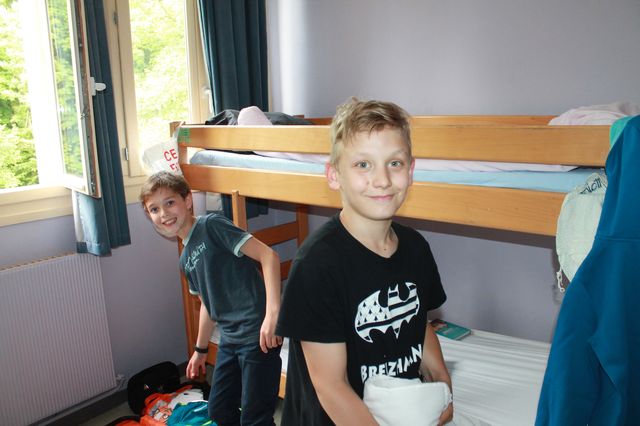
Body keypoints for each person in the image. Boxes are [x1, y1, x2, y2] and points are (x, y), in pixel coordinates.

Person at [276, 99, 453, 425]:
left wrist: (443, 385)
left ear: (411, 171)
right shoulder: (317, 265)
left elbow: (418, 323)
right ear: (334, 175)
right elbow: (331, 387)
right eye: (363, 165)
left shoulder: (416, 248)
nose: (382, 179)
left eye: (395, 163)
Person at [139, 171, 283, 426]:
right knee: (219, 410)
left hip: (256, 333)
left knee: (255, 418)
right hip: (230, 338)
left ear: (188, 200)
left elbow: (268, 256)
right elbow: (207, 304)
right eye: (154, 209)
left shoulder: (211, 226)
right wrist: (200, 350)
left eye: (170, 202)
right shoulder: (185, 261)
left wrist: (272, 316)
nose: (164, 214)